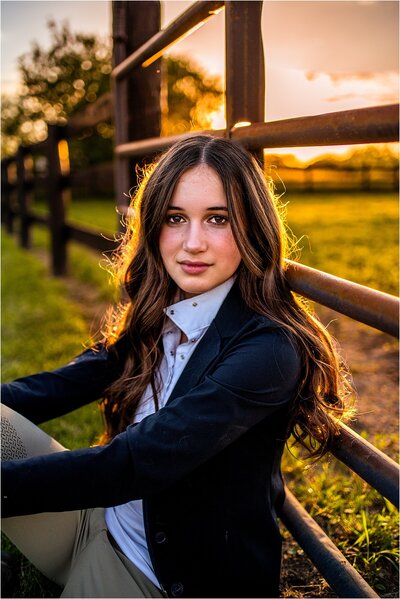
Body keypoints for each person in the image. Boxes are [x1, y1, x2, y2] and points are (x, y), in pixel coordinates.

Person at [1, 134, 352, 598]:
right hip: (92, 524)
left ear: (253, 227)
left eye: (217, 219)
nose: (192, 243)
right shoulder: (163, 310)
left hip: (154, 575)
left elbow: (134, 463)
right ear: (153, 226)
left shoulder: (269, 349)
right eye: (175, 218)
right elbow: (56, 387)